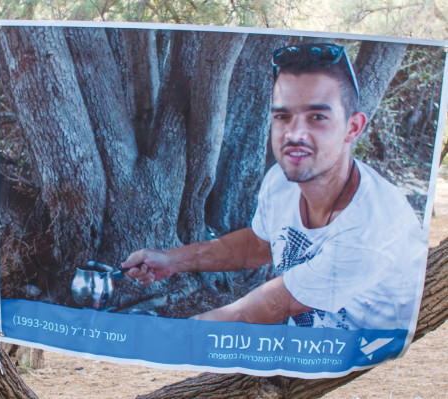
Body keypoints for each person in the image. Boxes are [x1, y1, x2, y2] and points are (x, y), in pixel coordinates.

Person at [123, 42, 426, 331]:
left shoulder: (372, 226)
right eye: (283, 116)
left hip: (363, 364)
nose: (294, 134)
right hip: (306, 352)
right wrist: (171, 261)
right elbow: (257, 245)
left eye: (317, 117)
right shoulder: (281, 181)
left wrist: (168, 337)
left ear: (353, 128)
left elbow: (268, 306)